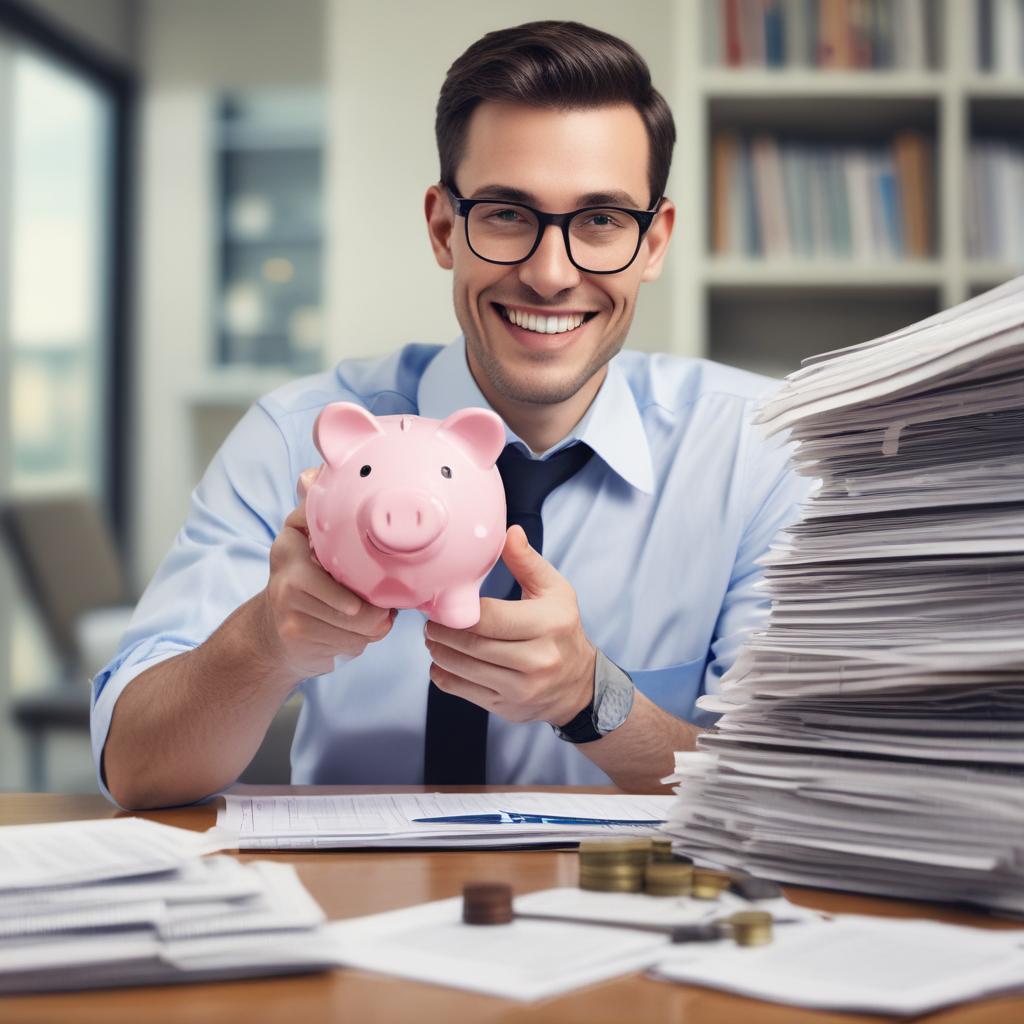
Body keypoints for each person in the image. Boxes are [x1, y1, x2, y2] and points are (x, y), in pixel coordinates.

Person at [93, 20, 810, 810]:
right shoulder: (295, 436)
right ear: (444, 227)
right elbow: (137, 770)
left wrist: (591, 697)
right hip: (353, 912)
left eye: (601, 221)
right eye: (506, 214)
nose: (549, 273)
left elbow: (783, 796)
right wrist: (264, 641)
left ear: (654, 242)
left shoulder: (759, 454)